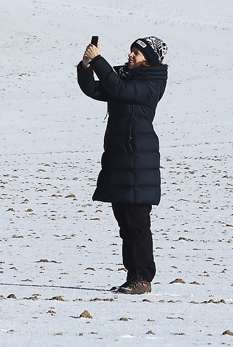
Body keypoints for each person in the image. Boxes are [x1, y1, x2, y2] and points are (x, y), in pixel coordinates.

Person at [77, 35, 168, 295]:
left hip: (139, 161)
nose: (130, 55)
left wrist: (99, 62)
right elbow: (95, 89)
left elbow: (120, 89)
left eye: (137, 53)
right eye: (131, 51)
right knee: (125, 224)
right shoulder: (125, 78)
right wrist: (86, 67)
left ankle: (143, 277)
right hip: (120, 160)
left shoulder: (151, 82)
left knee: (138, 223)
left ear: (149, 60)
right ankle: (133, 277)